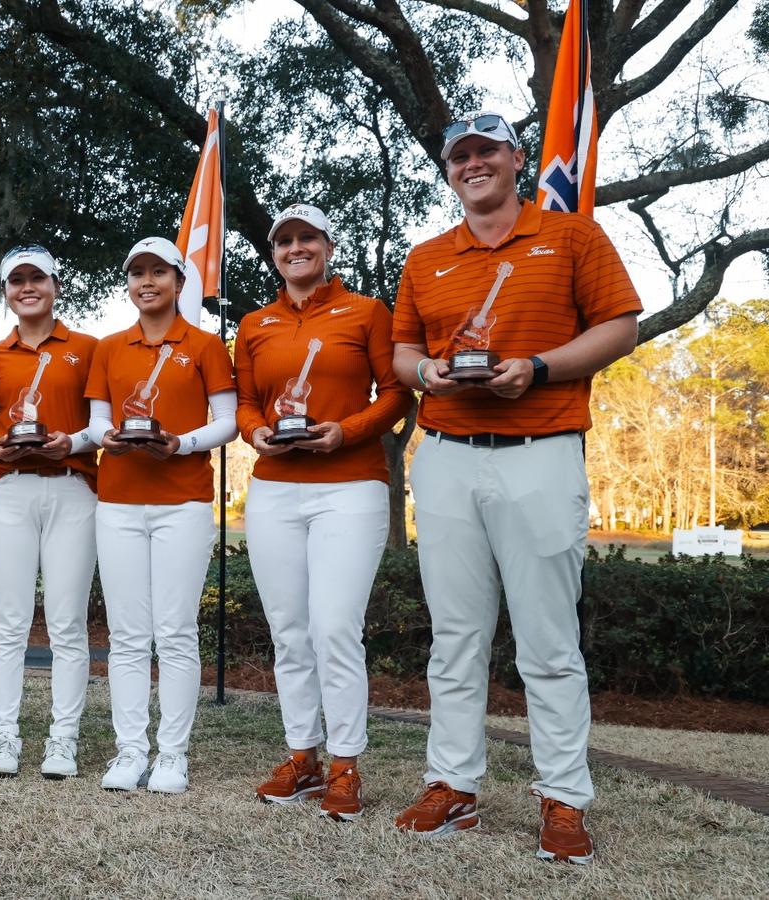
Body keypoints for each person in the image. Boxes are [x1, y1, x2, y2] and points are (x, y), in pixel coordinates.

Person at [388, 112, 640, 864]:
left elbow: (621, 326)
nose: (473, 164)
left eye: (486, 151)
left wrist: (537, 368)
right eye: (459, 156)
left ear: (515, 158)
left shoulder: (572, 236)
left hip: (540, 448)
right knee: (456, 637)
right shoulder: (426, 255)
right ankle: (453, 784)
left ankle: (563, 798)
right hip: (447, 454)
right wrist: (426, 372)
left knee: (549, 642)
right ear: (448, 171)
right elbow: (403, 352)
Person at [234, 204, 412, 820]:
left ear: (328, 246)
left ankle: (345, 765)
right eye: (284, 241)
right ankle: (302, 756)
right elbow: (247, 402)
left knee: (334, 627)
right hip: (277, 487)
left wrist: (347, 430)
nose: (295, 248)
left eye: (307, 237)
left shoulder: (366, 311)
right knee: (289, 631)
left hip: (349, 483)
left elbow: (396, 393)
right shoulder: (255, 323)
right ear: (274, 253)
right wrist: (255, 433)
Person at [85, 237, 237, 794]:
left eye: (158, 272)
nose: (146, 282)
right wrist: (114, 440)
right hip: (119, 499)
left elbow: (227, 421)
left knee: (173, 632)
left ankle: (171, 754)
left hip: (184, 499)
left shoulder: (205, 344)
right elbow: (98, 422)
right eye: (137, 274)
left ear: (178, 282)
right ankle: (130, 751)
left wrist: (183, 443)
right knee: (126, 635)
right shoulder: (109, 347)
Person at [0, 245, 99, 779]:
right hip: (10, 490)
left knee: (67, 622)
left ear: (55, 285)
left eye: (37, 279)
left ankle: (62, 739)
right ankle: (4, 737)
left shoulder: (89, 348)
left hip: (73, 488)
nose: (28, 287)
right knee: (10, 622)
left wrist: (72, 442)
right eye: (16, 280)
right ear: (5, 292)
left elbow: (102, 424)